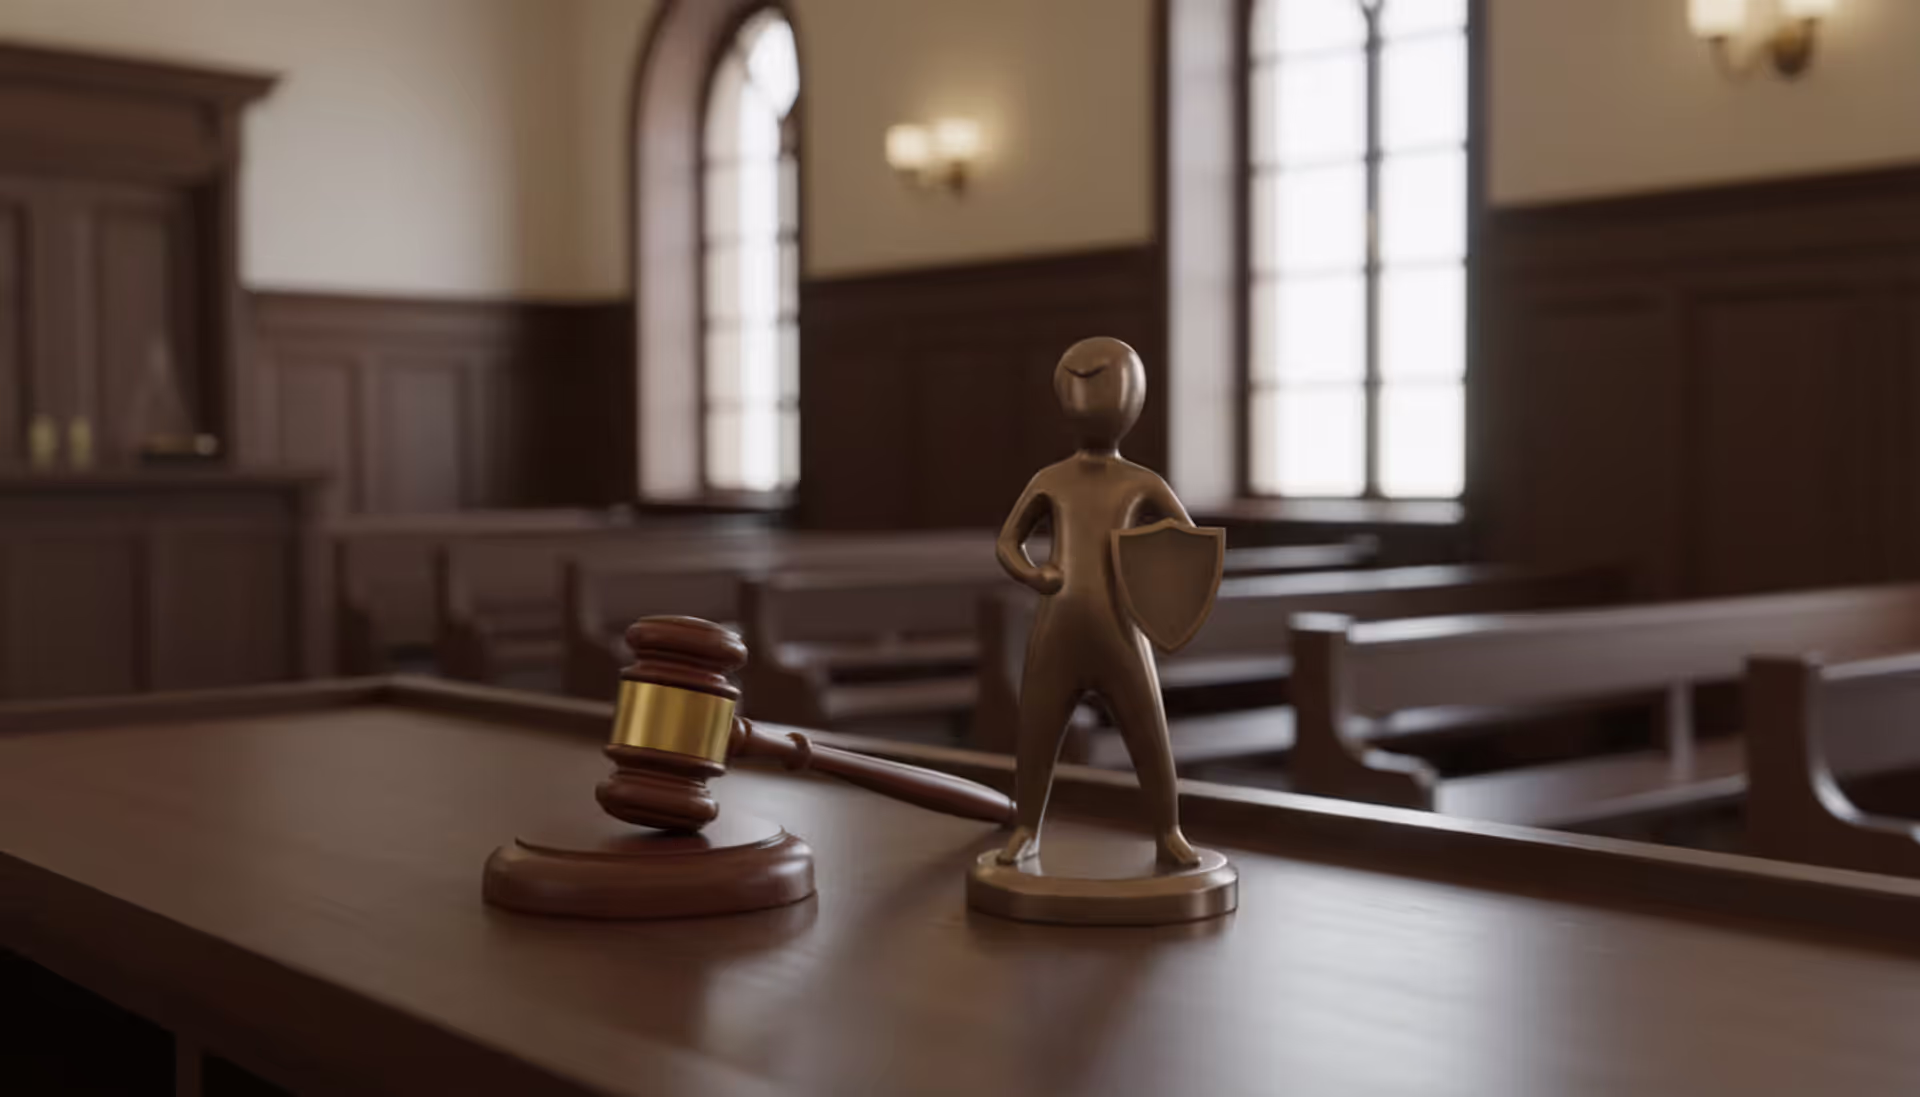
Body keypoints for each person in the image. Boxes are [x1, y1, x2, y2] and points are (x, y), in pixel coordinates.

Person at [994, 337, 1201, 868]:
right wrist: (1036, 574)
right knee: (1037, 731)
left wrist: (1160, 588)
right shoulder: (1051, 480)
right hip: (1059, 623)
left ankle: (1168, 831)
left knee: (1149, 732)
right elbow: (1007, 542)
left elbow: (1189, 544)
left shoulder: (1140, 482)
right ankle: (1026, 829)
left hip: (1121, 627)